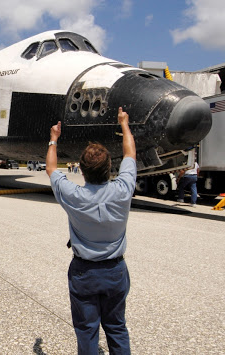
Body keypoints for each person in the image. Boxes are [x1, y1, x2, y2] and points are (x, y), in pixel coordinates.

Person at [46, 107, 136, 354]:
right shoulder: (123, 190)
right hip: (115, 270)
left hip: (84, 272)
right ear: (109, 167)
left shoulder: (74, 195)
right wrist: (124, 124)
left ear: (82, 170)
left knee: (86, 331)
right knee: (117, 328)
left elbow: (52, 170)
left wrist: (54, 138)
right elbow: (130, 154)